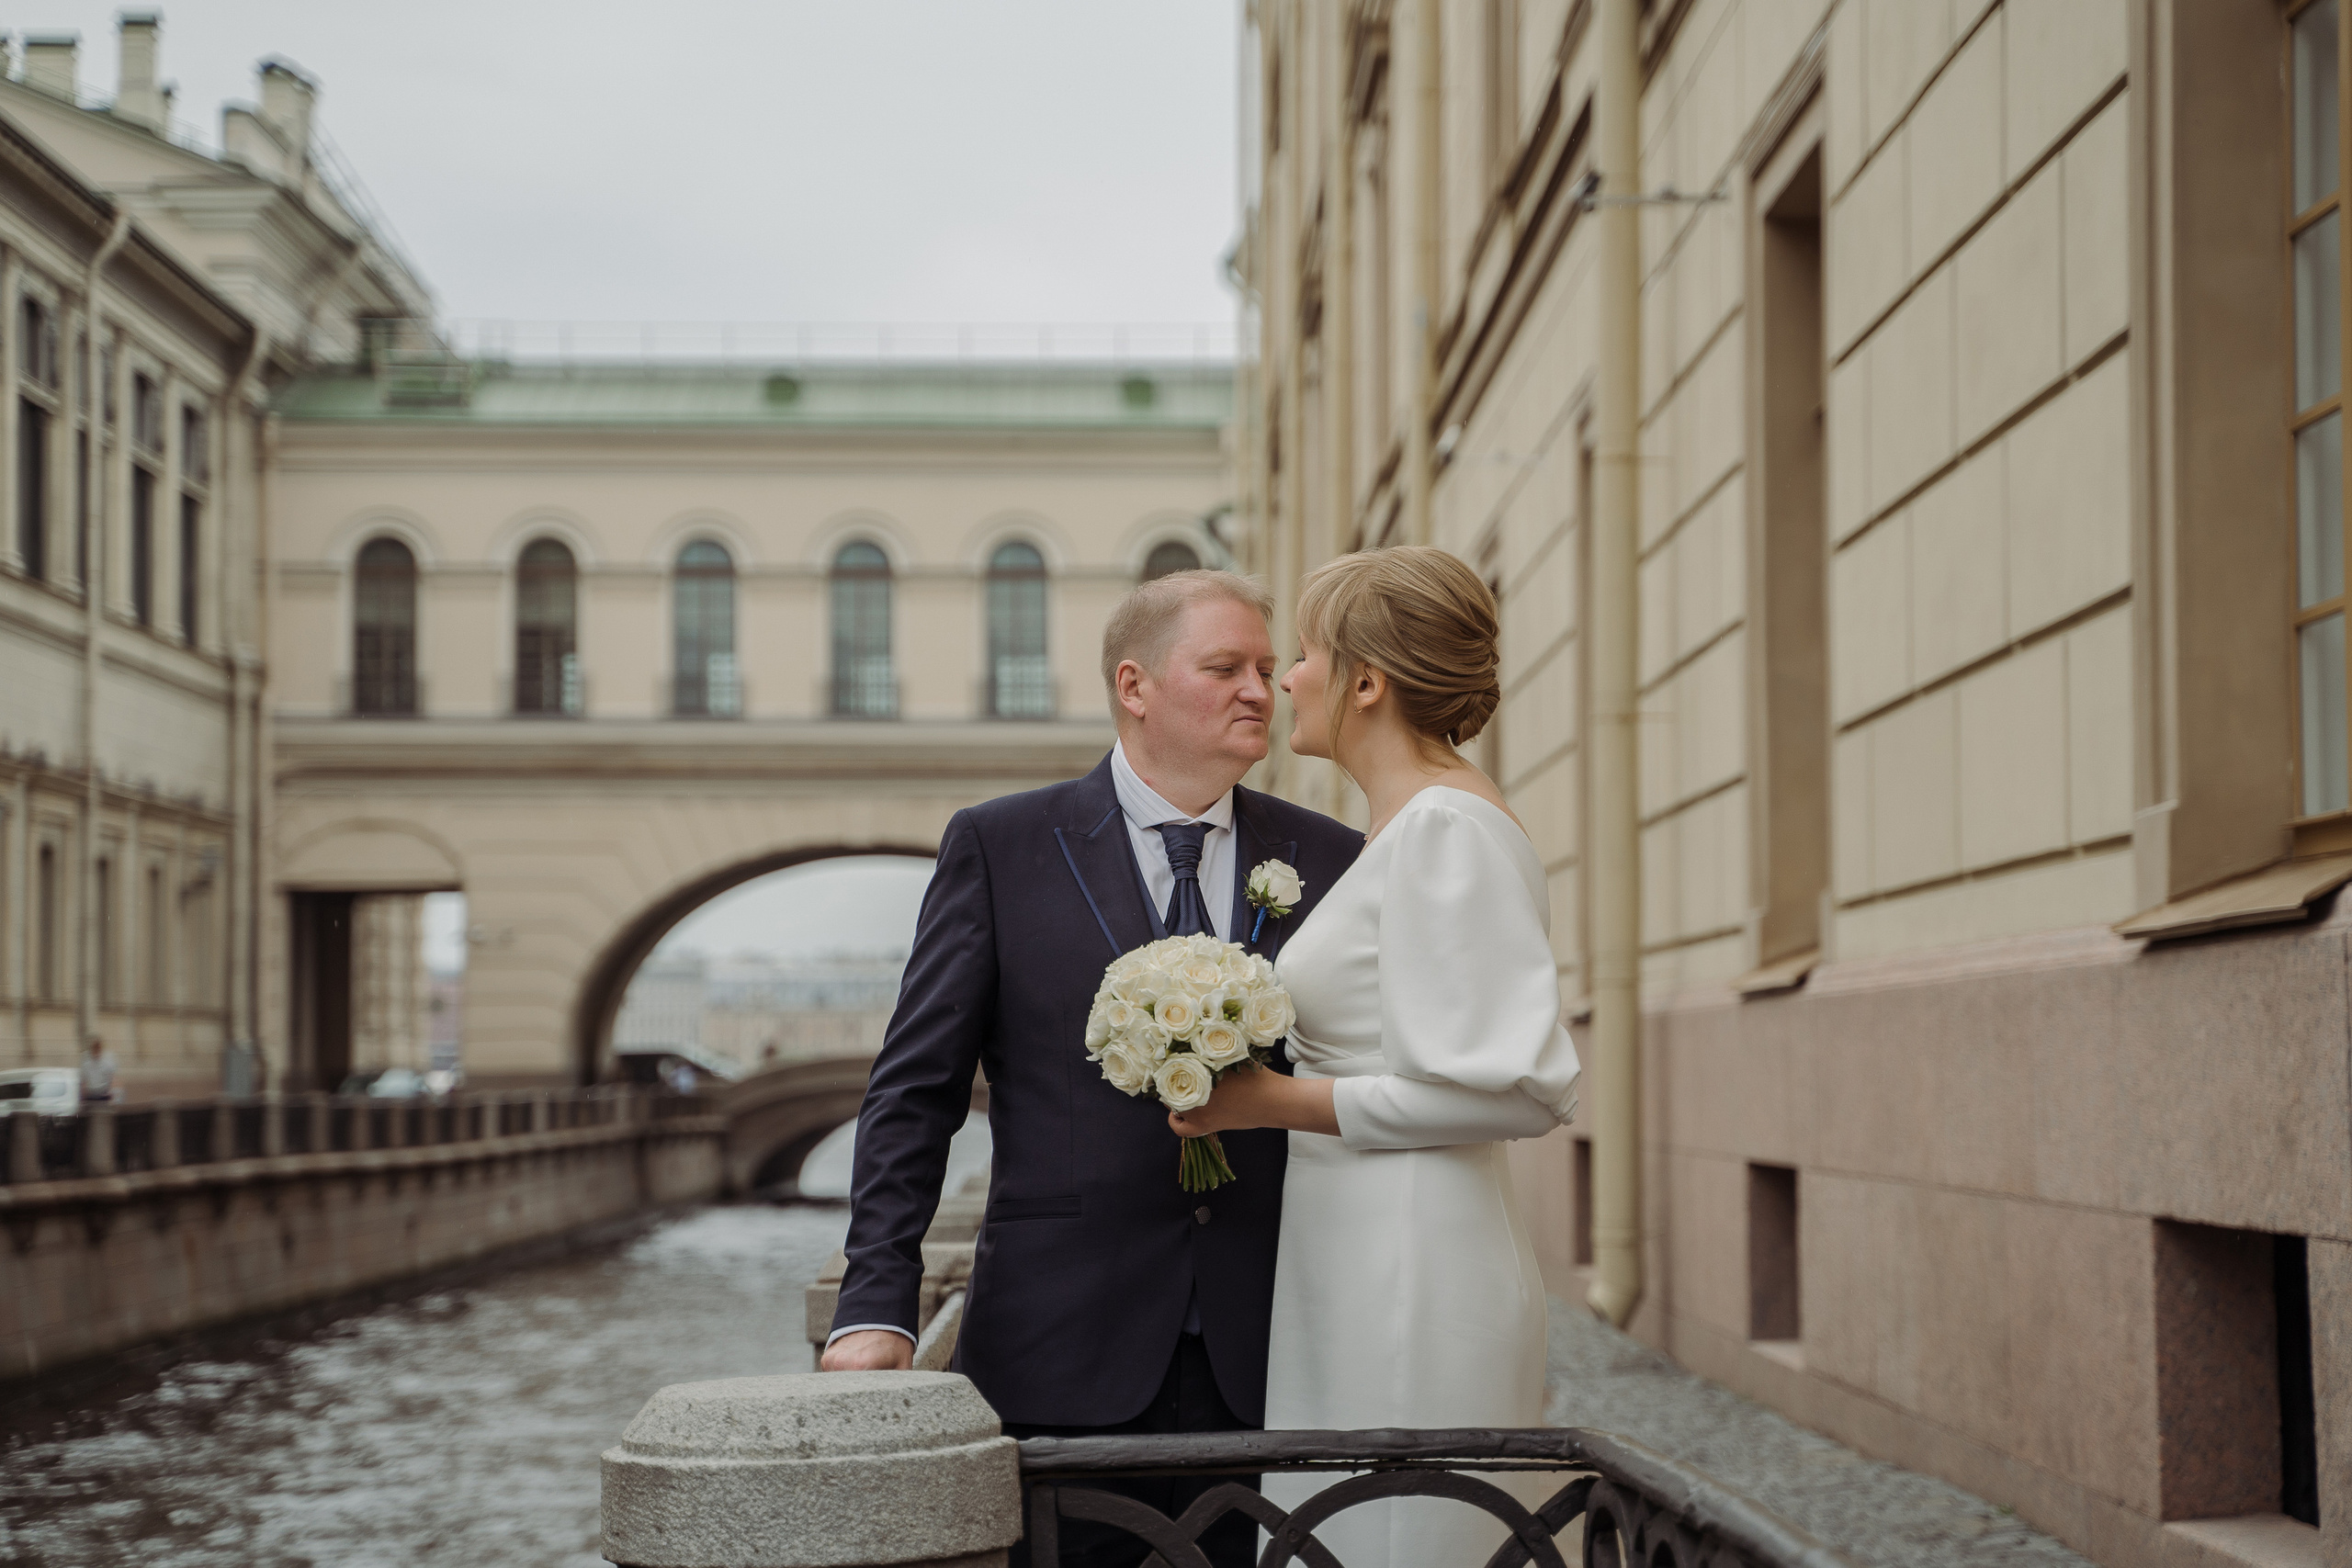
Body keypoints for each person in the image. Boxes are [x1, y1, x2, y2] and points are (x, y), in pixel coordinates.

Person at [824, 569, 1362, 1568]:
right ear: (1135, 685)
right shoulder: (1001, 845)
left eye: (1264, 665)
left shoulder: (1328, 859)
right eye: (1224, 667)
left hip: (1277, 1345)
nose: (1261, 687)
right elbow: (915, 1092)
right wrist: (873, 1306)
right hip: (1057, 1347)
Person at [1169, 546, 1582, 1568]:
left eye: (1305, 654)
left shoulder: (1445, 827)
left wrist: (1266, 1101)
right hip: (1359, 1255)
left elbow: (1512, 1088)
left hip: (1412, 1269)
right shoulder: (1406, 827)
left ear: (1366, 681)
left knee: (1399, 1538)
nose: (1285, 680)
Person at [80, 1037, 119, 1104]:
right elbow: (84, 1080)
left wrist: (111, 1093)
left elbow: (113, 1078)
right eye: (94, 1049)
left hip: (103, 1094)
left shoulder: (107, 1062)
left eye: (97, 1049)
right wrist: (83, 1097)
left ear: (100, 1049)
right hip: (90, 1094)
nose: (96, 1052)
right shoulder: (86, 1062)